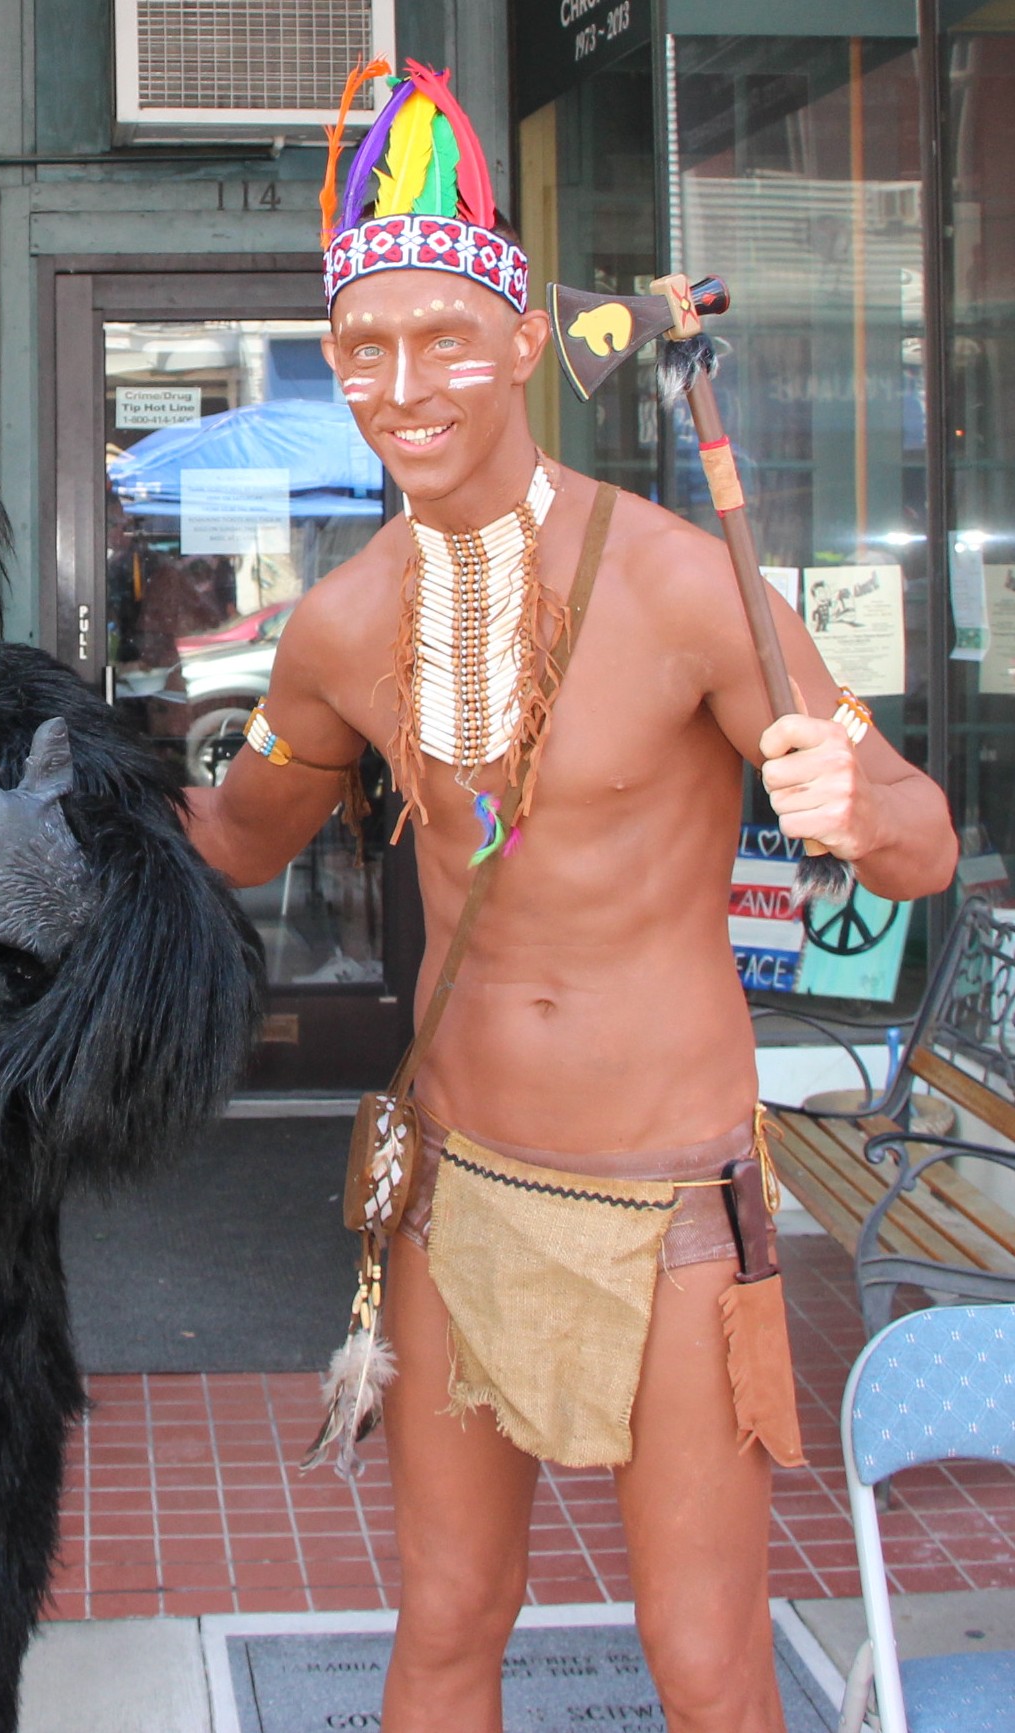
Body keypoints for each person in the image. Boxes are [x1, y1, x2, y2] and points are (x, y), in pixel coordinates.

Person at [183, 63, 957, 1733]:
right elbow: (238, 840)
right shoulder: (340, 624)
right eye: (365, 349)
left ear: (528, 341)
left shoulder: (683, 584)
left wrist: (855, 806)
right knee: (450, 1618)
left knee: (705, 1654)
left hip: (673, 1205)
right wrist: (75, 795)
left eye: (446, 339)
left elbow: (923, 838)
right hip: (456, 1190)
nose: (404, 386)